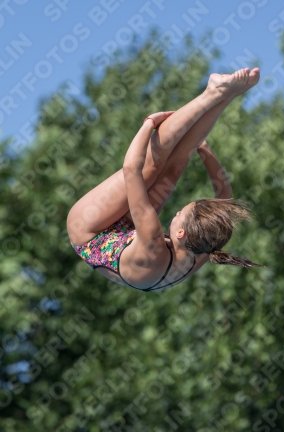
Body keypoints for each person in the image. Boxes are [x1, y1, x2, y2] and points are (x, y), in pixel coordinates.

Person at [67, 68, 264, 293]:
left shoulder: (152, 243)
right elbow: (224, 197)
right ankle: (228, 94)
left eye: (180, 213)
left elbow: (132, 169)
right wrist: (203, 149)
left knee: (152, 168)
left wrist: (149, 123)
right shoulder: (202, 246)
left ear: (180, 233)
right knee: (176, 167)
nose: (176, 211)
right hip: (128, 233)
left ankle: (212, 92)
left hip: (89, 232)